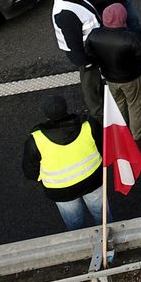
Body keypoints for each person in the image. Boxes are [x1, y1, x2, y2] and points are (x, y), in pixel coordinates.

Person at [23, 95, 106, 231]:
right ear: (66, 108)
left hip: (61, 190)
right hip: (93, 180)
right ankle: (106, 238)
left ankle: (79, 242)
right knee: (102, 216)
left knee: (74, 222)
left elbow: (30, 172)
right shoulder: (88, 124)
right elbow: (104, 147)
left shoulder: (35, 139)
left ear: (46, 114)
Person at [84, 3, 141, 140]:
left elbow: (90, 54)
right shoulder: (131, 38)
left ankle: (121, 130)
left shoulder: (94, 35)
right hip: (130, 78)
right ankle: (138, 131)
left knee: (118, 103)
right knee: (135, 103)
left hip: (109, 77)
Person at [51, 0, 102, 119]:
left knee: (94, 79)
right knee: (90, 81)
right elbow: (74, 43)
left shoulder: (71, 1)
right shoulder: (66, 15)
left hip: (91, 48)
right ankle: (97, 110)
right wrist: (85, 62)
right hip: (86, 53)